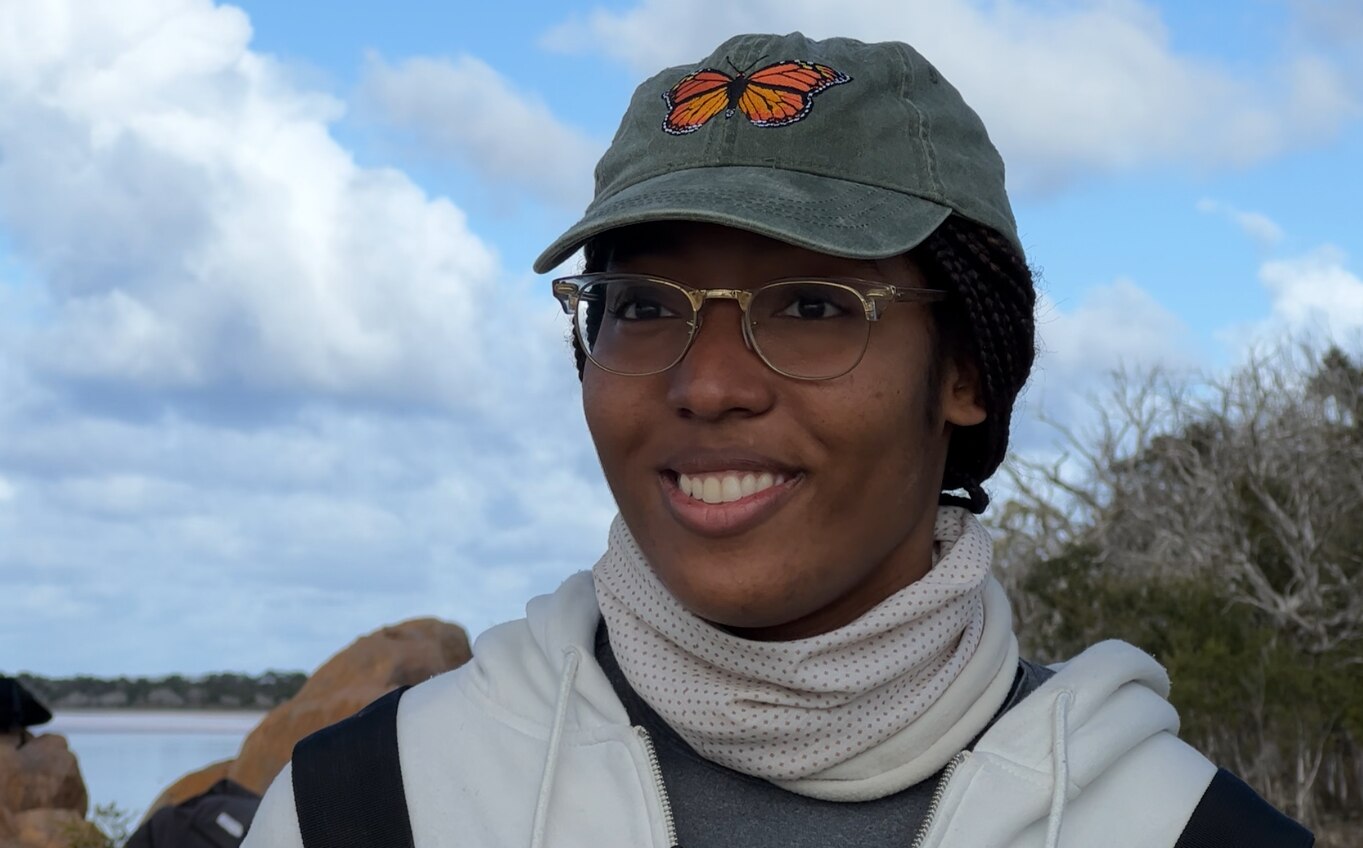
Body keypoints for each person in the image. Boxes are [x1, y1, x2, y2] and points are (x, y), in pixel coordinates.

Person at [244, 32, 1313, 847]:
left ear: (966, 372)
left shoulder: (1178, 830)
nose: (707, 384)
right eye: (643, 305)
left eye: (812, 305)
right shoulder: (369, 809)